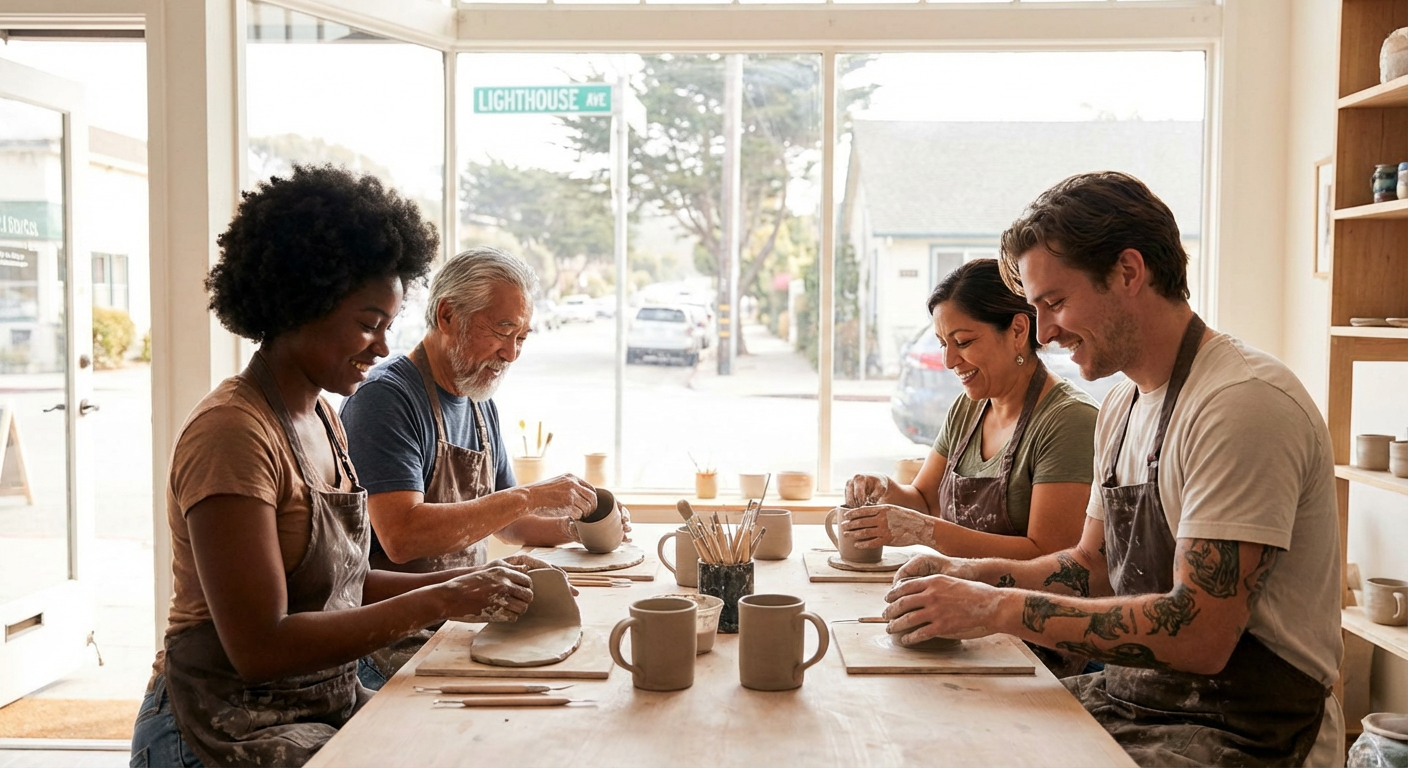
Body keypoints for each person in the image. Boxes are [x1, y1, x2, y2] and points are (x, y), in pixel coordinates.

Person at [881, 171, 1343, 767]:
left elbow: (1201, 633)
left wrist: (993, 607)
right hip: (1139, 698)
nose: (1043, 332)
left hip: (1248, 728)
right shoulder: (1122, 406)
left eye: (1054, 302)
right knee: (942, 731)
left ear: (1128, 272)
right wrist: (968, 573)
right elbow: (1092, 566)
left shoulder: (1240, 404)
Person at [130, 166, 555, 768]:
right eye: (367, 322)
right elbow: (260, 646)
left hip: (312, 705)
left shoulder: (326, 420)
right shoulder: (233, 433)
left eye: (387, 325)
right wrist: (444, 598)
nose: (383, 347)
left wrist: (465, 590)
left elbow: (342, 586)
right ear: (300, 303)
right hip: (222, 726)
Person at [339, 246, 625, 688]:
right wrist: (530, 494)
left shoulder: (476, 397)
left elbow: (512, 526)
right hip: (396, 639)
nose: (511, 354)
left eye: (522, 337)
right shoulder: (385, 399)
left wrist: (581, 528)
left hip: (463, 618)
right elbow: (400, 536)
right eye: (503, 330)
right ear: (448, 315)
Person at [840, 258, 1098, 563]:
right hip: (960, 598)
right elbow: (924, 500)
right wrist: (884, 488)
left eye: (962, 341)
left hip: (1021, 608)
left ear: (1017, 331)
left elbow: (1051, 559)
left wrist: (927, 532)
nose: (949, 361)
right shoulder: (967, 409)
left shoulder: (1069, 421)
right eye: (942, 344)